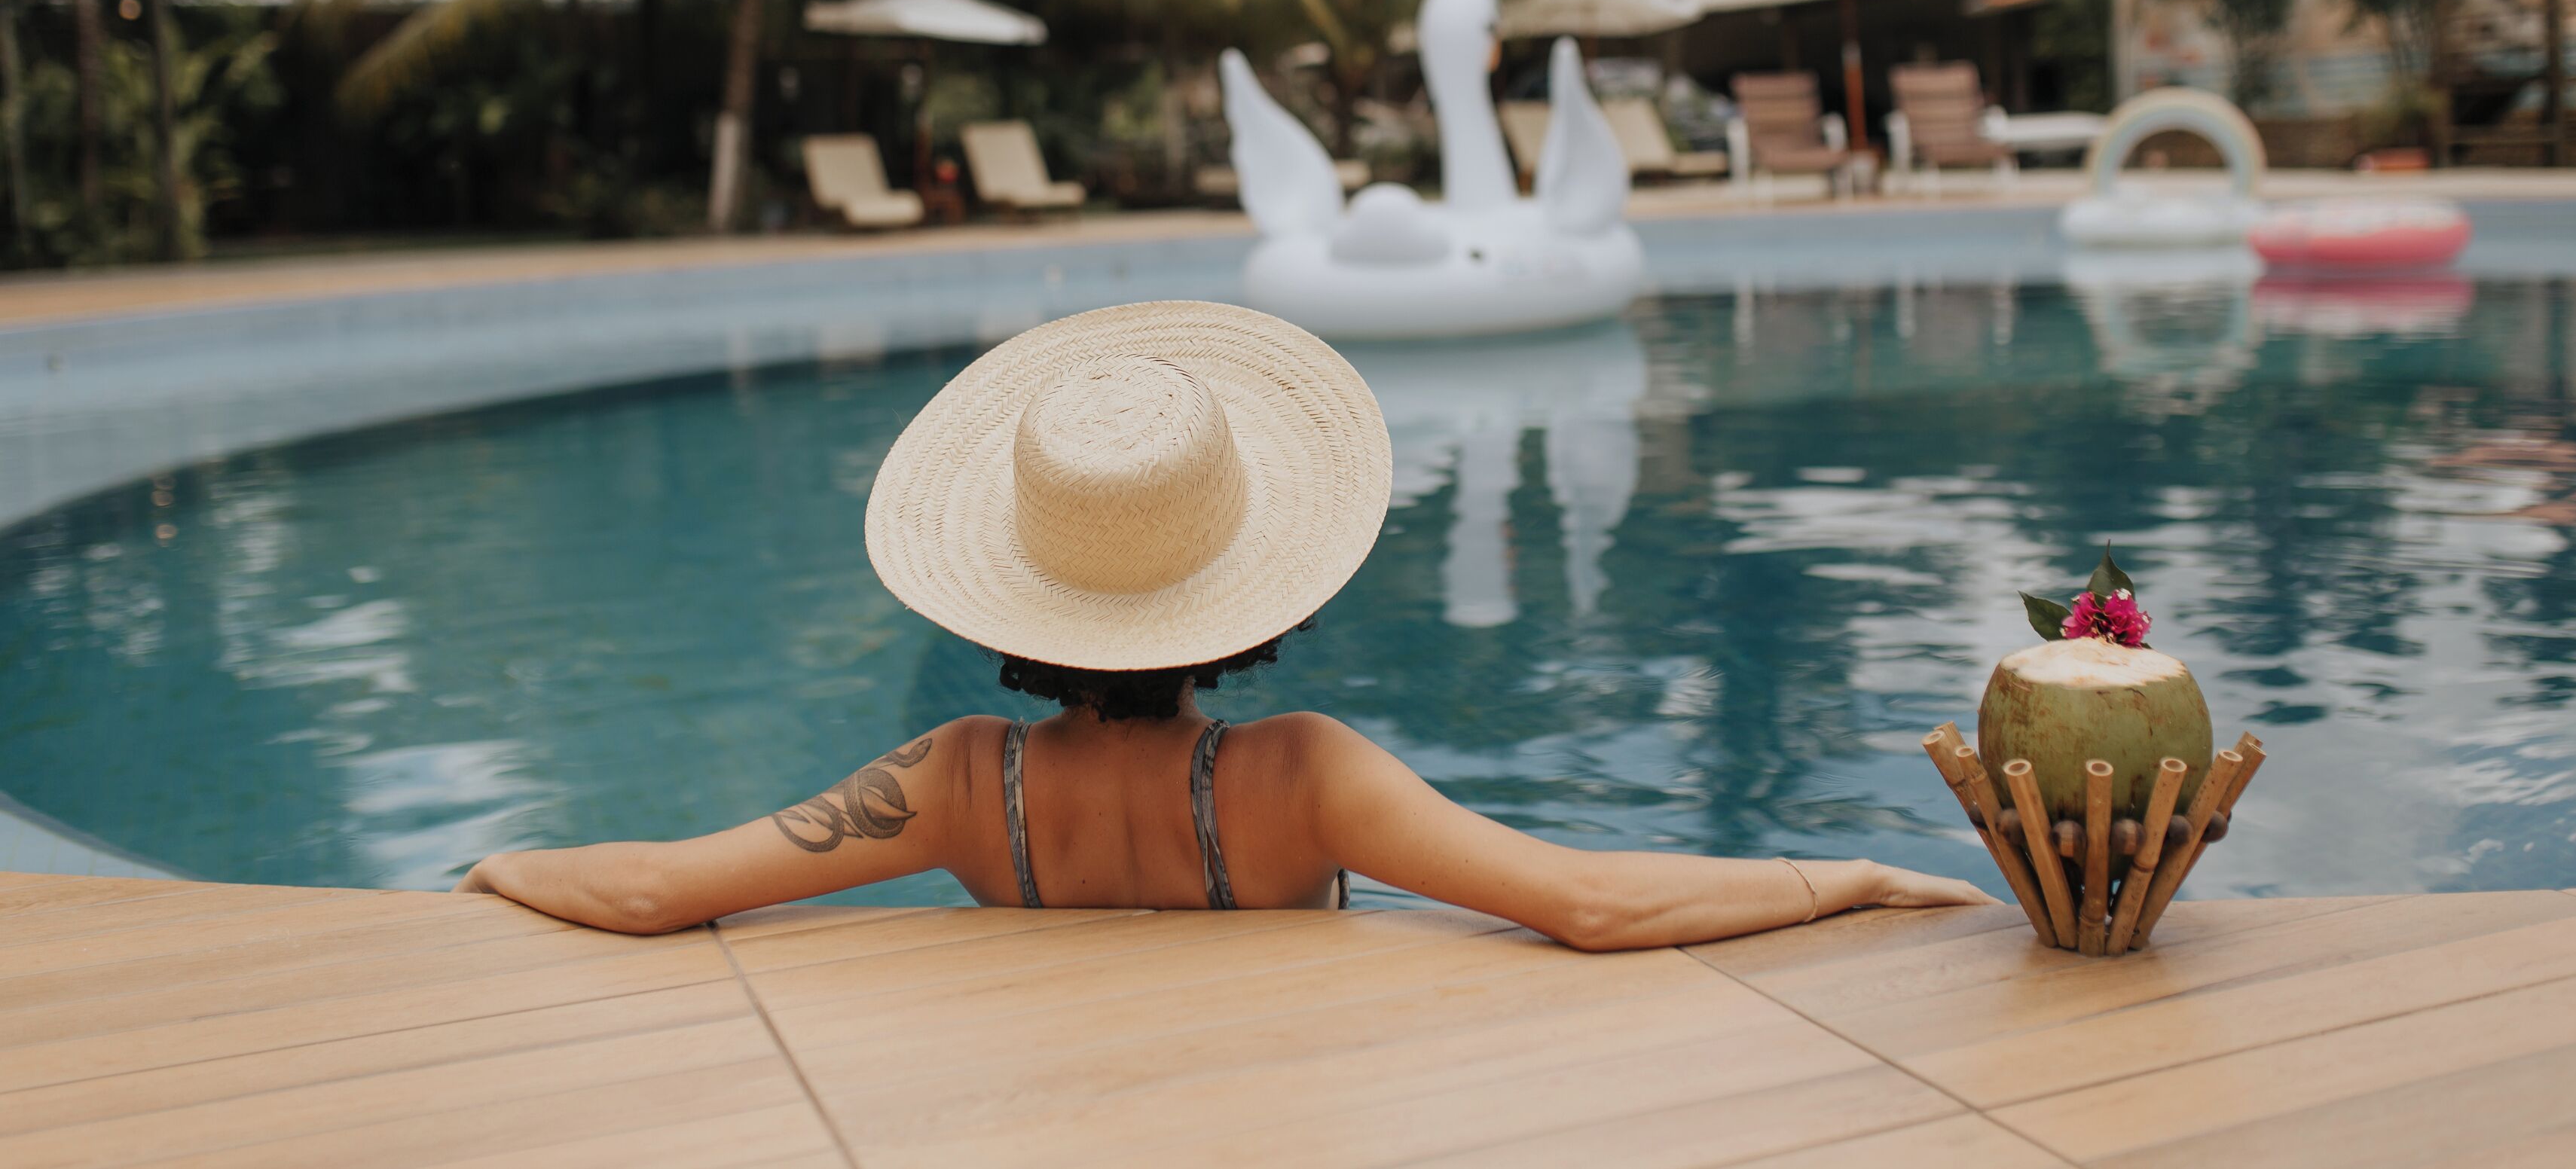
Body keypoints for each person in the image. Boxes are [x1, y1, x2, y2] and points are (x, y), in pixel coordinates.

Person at [455, 301, 1988, 946]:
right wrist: (1844, 873)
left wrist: (495, 865)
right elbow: (1584, 902)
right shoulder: (1299, 779)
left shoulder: (954, 777)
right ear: (1247, 579)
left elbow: (662, 888)